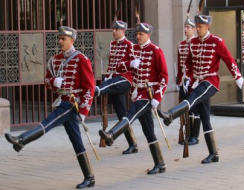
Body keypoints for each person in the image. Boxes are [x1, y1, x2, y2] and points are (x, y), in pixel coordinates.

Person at [5, 26, 96, 189]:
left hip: (72, 103)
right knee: (77, 142)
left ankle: (21, 140)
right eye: (59, 38)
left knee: (49, 121)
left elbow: (89, 87)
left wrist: (83, 111)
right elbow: (46, 81)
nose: (60, 41)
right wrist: (54, 82)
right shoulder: (54, 60)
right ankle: (89, 177)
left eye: (63, 39)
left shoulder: (81, 59)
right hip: (62, 100)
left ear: (72, 41)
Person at [158, 15, 244, 164]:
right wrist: (187, 79)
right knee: (205, 118)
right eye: (196, 26)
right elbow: (189, 64)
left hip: (210, 81)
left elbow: (229, 59)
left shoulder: (217, 42)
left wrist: (237, 77)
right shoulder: (194, 42)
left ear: (207, 26)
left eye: (200, 27)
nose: (197, 29)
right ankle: (213, 153)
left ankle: (171, 114)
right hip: (197, 81)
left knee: (193, 97)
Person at [99, 22, 168, 174]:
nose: (137, 37)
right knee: (148, 130)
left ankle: (112, 134)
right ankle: (160, 163)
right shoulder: (133, 49)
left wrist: (158, 96)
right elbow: (118, 66)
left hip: (148, 94)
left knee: (131, 114)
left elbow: (164, 77)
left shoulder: (156, 51)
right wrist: (130, 63)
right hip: (137, 92)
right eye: (136, 34)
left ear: (148, 35)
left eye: (141, 34)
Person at [95, 20, 138, 154]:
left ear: (123, 31)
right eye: (113, 29)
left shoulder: (130, 45)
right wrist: (107, 75)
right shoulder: (112, 44)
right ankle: (132, 144)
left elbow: (135, 65)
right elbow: (111, 64)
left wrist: (136, 87)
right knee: (122, 115)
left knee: (104, 87)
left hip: (125, 80)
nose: (113, 31)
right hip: (113, 81)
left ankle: (96, 90)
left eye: (116, 30)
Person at [176, 17, 200, 145]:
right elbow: (180, 65)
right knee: (186, 109)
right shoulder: (181, 44)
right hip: (183, 81)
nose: (185, 29)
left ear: (194, 29)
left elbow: (196, 65)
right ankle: (188, 134)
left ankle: (194, 136)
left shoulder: (196, 43)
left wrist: (190, 79)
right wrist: (179, 80)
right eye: (185, 27)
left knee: (195, 109)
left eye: (188, 27)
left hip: (193, 81)